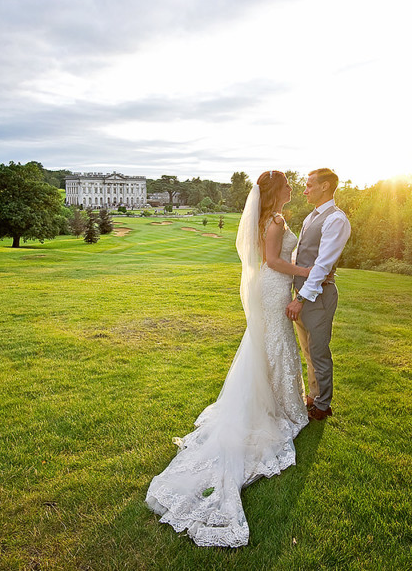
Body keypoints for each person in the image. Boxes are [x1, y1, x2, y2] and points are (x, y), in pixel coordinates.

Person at [146, 170, 311, 547]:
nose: (291, 189)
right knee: (276, 344)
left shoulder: (267, 218)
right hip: (273, 288)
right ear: (275, 192)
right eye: (286, 185)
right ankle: (283, 407)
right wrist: (307, 271)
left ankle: (278, 400)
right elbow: (271, 261)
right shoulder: (275, 220)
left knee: (270, 345)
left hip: (271, 290)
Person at [285, 168, 351, 421]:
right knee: (308, 349)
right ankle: (314, 395)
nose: (305, 190)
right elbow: (303, 256)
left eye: (310, 185)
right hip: (301, 291)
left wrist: (300, 298)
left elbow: (323, 264)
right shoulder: (311, 217)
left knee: (319, 351)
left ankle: (323, 406)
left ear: (325, 186)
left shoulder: (336, 219)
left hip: (318, 296)